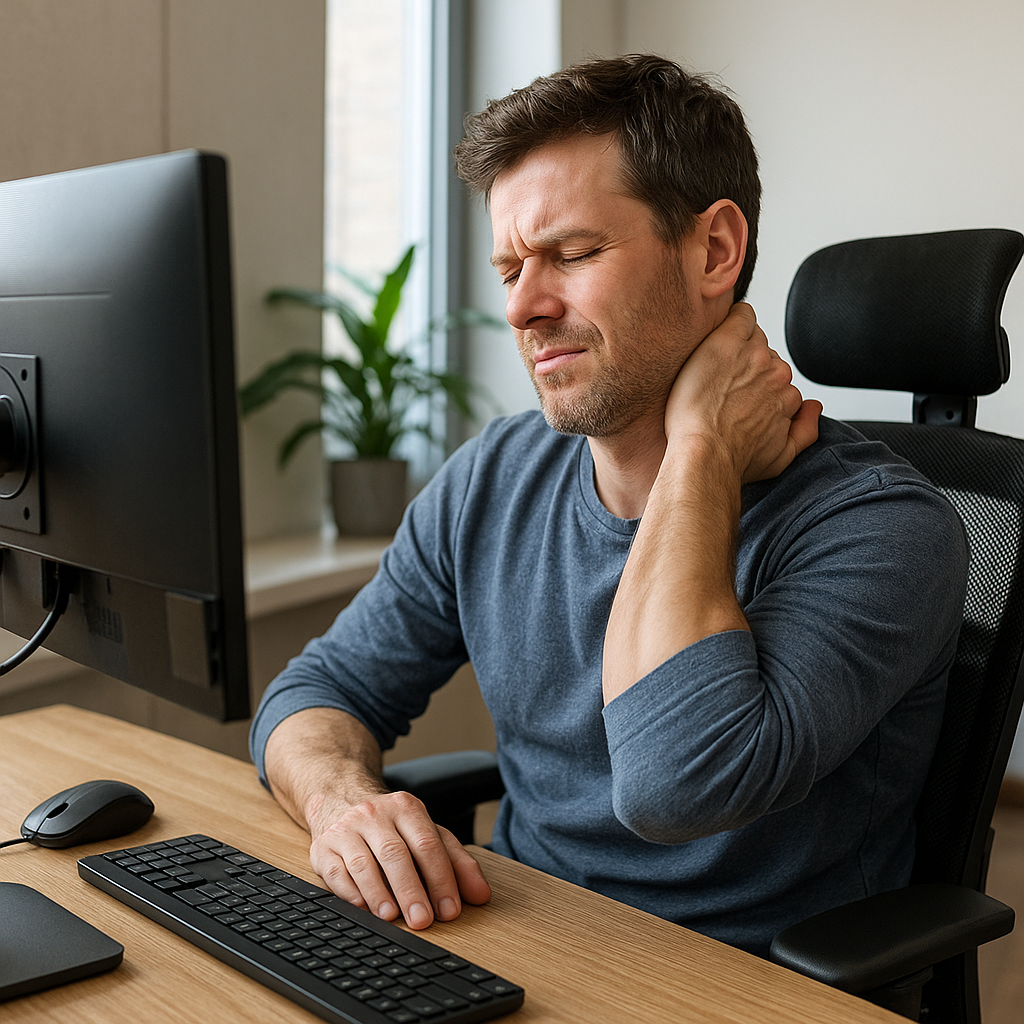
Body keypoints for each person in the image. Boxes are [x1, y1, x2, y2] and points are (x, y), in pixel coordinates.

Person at [249, 54, 967, 955]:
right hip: (510, 939)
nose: (523, 308)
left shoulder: (883, 527)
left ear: (714, 251)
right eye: (510, 269)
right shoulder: (492, 478)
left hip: (732, 988)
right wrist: (340, 803)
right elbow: (315, 693)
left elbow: (675, 788)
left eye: (574, 254)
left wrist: (701, 450)